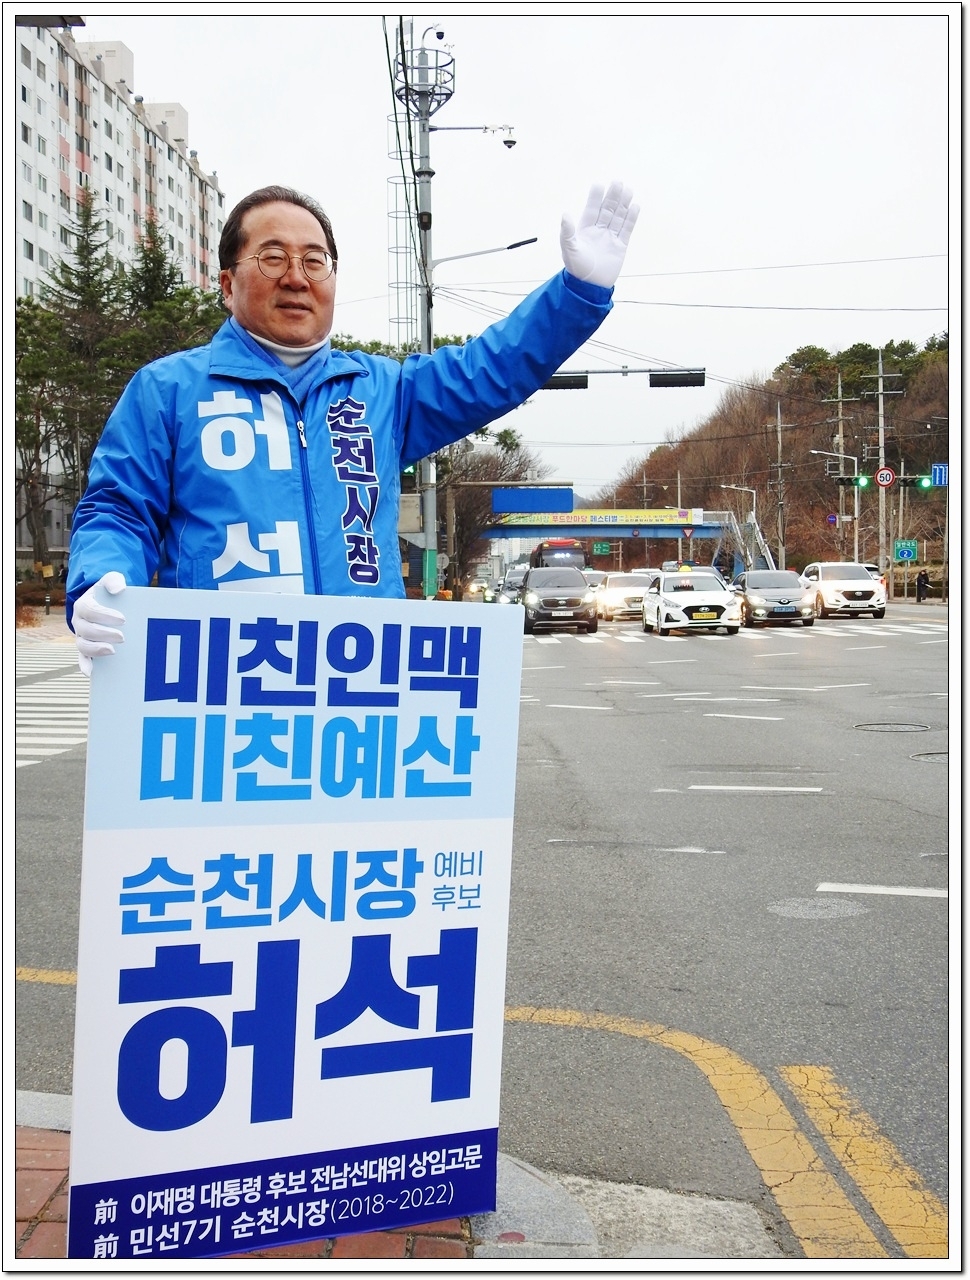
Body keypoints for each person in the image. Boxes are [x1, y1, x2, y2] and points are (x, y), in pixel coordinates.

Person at [67, 181, 639, 674]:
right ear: (226, 283)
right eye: (272, 258)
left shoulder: (382, 391)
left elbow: (490, 370)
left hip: (359, 686)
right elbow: (118, 510)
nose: (296, 277)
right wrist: (100, 579)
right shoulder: (166, 391)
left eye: (314, 261)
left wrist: (575, 296)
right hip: (218, 687)